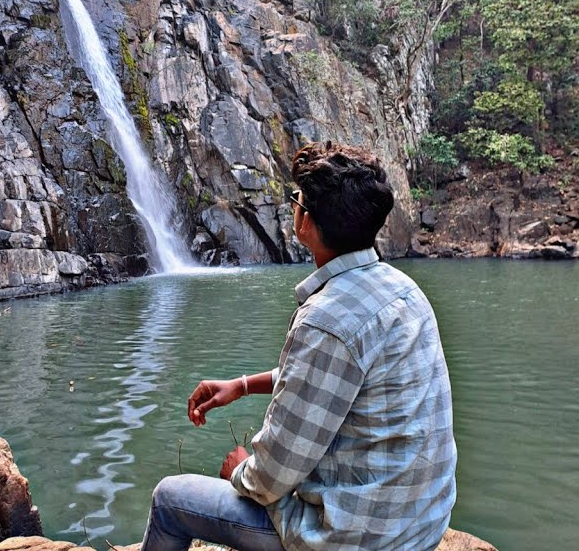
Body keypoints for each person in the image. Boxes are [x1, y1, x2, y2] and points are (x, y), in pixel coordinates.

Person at [141, 141, 457, 551]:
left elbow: (270, 478)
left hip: (359, 541)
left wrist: (240, 471)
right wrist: (241, 385)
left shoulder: (325, 319)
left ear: (305, 222)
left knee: (170, 498)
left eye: (297, 200)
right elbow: (333, 377)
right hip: (421, 525)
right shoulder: (403, 290)